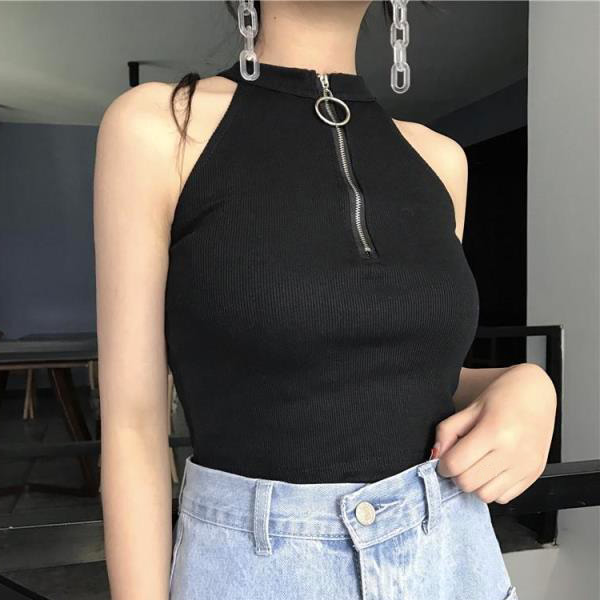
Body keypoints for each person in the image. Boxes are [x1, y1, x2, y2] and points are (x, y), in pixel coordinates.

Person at [93, 1, 557, 599]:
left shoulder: (440, 161)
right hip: (258, 572)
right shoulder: (162, 128)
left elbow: (413, 383)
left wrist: (525, 385)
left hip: (454, 560)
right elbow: (133, 424)